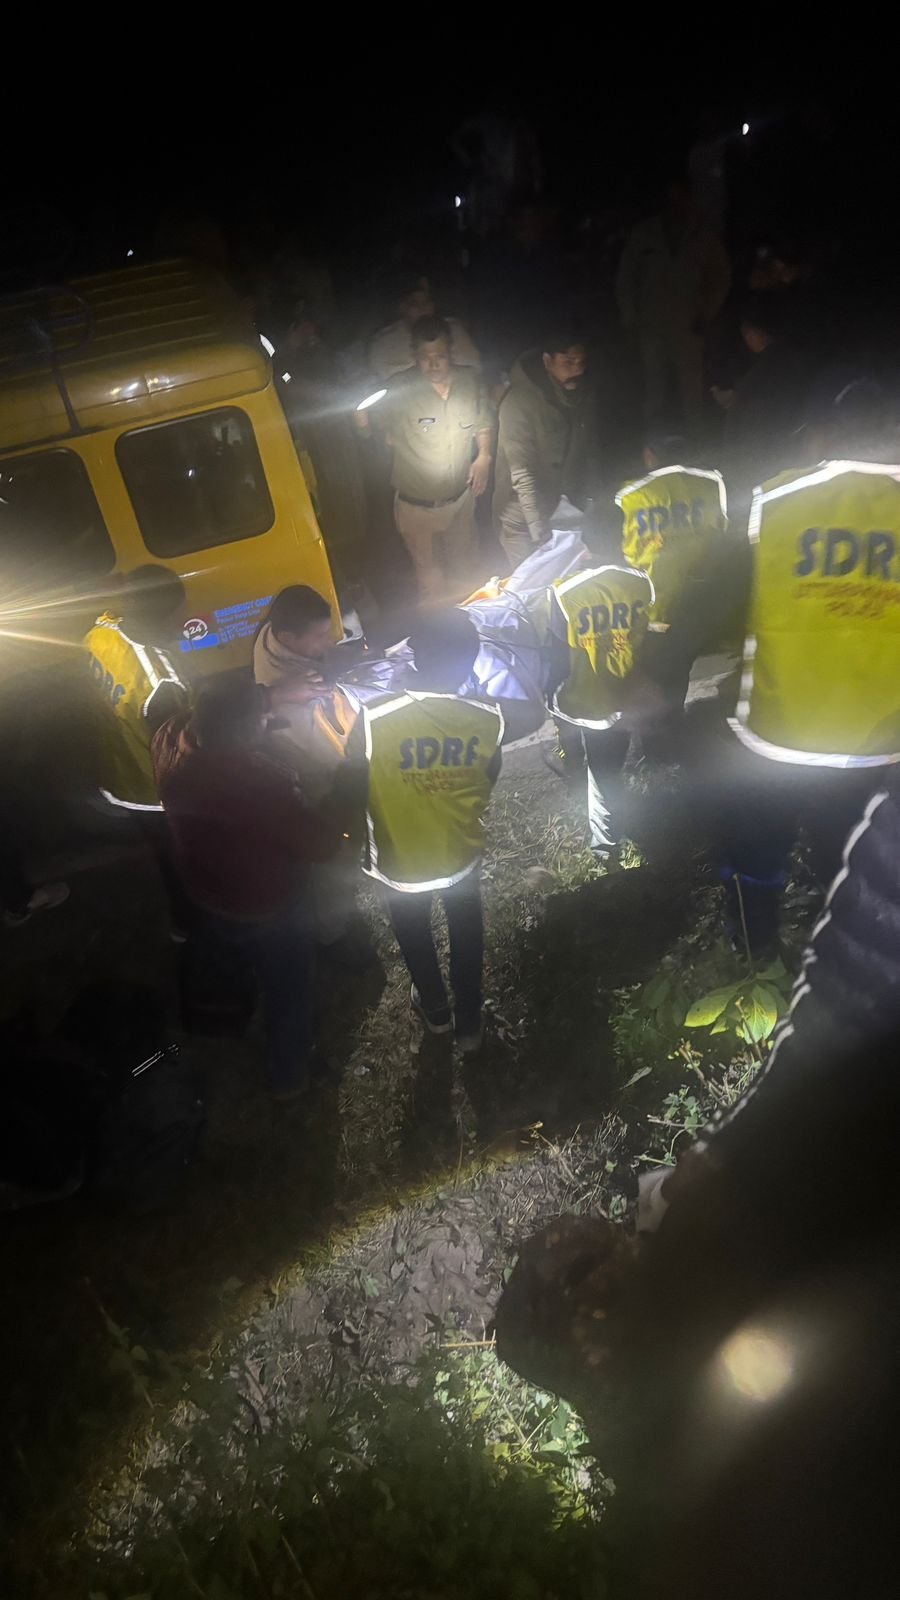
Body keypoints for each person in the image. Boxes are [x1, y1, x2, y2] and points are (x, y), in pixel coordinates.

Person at [700, 376, 900, 952]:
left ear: (820, 436)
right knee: (855, 853)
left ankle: (755, 950)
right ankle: (846, 950)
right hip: (880, 743)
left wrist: (662, 673)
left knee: (756, 847)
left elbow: (713, 600)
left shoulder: (775, 499)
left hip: (779, 729)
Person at [152, 677, 341, 1101]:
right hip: (268, 904)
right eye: (261, 718)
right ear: (246, 732)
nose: (268, 719)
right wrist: (340, 795)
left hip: (206, 891)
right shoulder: (262, 784)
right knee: (288, 988)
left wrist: (256, 708)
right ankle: (289, 1075)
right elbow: (322, 845)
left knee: (234, 953)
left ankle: (234, 1005)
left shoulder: (169, 741)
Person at [355, 610, 503, 1051]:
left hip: (398, 858)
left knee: (413, 930)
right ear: (470, 660)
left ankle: (436, 1011)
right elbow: (489, 777)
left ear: (416, 658)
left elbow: (352, 785)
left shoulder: (373, 717)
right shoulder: (488, 717)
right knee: (467, 929)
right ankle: (470, 1021)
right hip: (459, 851)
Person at [253, 585, 366, 962]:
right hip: (321, 790)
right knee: (335, 862)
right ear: (289, 638)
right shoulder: (299, 695)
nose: (329, 640)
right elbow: (330, 753)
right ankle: (333, 937)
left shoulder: (268, 636)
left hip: (307, 783)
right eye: (319, 636)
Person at [615, 427, 728, 713]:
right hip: (696, 602)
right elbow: (723, 535)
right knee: (678, 670)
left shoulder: (629, 494)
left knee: (649, 676)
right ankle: (670, 723)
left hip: (650, 607)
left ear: (649, 456)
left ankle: (658, 730)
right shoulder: (712, 483)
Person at [547, 563, 653, 859]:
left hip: (577, 696)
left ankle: (606, 848)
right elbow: (649, 635)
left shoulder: (564, 591)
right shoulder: (642, 582)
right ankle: (605, 840)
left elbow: (556, 647)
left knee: (598, 772)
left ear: (584, 543)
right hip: (619, 697)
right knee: (606, 772)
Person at [383, 316, 493, 602]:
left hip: (460, 502)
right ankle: (438, 627)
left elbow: (482, 421)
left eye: (440, 357)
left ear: (451, 352)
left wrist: (484, 455)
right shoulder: (398, 389)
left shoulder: (469, 381)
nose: (433, 365)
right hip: (417, 508)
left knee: (467, 575)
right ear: (414, 356)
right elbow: (382, 434)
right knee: (431, 582)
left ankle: (471, 625)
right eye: (425, 358)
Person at [616, 178, 731, 430]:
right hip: (650, 325)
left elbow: (721, 277)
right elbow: (626, 277)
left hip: (689, 324)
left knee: (691, 386)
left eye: (682, 198)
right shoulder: (644, 234)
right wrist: (629, 319)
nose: (676, 204)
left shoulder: (703, 236)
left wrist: (707, 314)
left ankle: (696, 437)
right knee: (653, 386)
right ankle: (653, 440)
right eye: (671, 198)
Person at [492, 328, 593, 568]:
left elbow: (588, 451)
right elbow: (522, 473)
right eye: (568, 362)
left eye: (581, 362)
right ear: (548, 361)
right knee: (534, 584)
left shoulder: (578, 394)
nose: (577, 370)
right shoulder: (518, 402)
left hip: (563, 510)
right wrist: (540, 535)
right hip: (522, 518)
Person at [715, 294, 807, 500]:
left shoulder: (761, 374)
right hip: (785, 455)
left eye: (747, 332)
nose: (746, 338)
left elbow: (743, 421)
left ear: (758, 332)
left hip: (756, 460)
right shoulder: (793, 362)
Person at [368, 275, 481, 383]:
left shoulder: (455, 330)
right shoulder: (384, 342)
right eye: (414, 304)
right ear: (402, 307)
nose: (422, 308)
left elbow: (473, 371)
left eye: (426, 302)